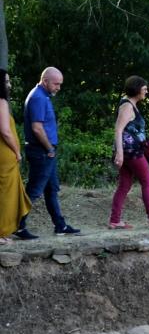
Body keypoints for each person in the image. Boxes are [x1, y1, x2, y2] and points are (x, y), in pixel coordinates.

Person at [18, 66, 79, 238]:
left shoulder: (43, 96)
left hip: (45, 151)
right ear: (45, 81)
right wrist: (49, 148)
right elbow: (37, 128)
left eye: (60, 84)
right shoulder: (38, 97)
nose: (58, 88)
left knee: (51, 189)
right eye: (56, 84)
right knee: (34, 190)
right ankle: (17, 225)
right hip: (42, 151)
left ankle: (60, 225)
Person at [109, 76, 149, 230]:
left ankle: (115, 220)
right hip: (131, 153)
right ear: (136, 89)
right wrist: (120, 153)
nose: (146, 91)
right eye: (144, 89)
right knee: (148, 181)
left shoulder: (130, 105)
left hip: (129, 152)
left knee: (124, 184)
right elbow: (118, 130)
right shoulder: (127, 107)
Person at [0, 70, 31, 245]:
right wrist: (17, 151)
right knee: (5, 193)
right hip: (4, 153)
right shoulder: (2, 102)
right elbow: (5, 130)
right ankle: (2, 232)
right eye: (6, 82)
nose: (9, 85)